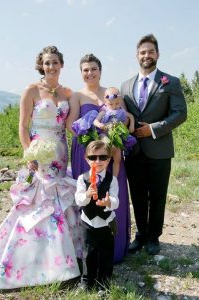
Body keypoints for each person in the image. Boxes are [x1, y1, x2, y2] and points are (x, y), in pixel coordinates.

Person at [0, 46, 82, 289]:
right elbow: (23, 126)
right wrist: (29, 152)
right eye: (47, 63)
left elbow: (70, 126)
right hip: (39, 155)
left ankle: (63, 260)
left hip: (60, 152)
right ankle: (33, 263)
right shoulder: (31, 90)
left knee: (60, 199)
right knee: (40, 201)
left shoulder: (67, 92)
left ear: (61, 64)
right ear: (41, 66)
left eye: (55, 62)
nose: (51, 67)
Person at [121, 34, 187, 255]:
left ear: (157, 54)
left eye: (150, 51)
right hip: (134, 151)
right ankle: (140, 234)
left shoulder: (171, 82)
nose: (146, 55)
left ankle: (153, 237)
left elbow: (180, 114)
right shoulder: (125, 85)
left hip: (160, 149)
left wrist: (153, 128)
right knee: (137, 195)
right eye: (142, 52)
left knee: (157, 195)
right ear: (137, 56)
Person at [66, 54, 130, 263]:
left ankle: (115, 248)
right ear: (81, 72)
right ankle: (87, 249)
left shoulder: (111, 92)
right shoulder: (76, 95)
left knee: (112, 194)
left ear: (100, 71)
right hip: (84, 150)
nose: (89, 73)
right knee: (88, 194)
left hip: (111, 150)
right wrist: (91, 140)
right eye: (85, 69)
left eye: (93, 68)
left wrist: (114, 137)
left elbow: (123, 118)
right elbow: (70, 124)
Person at [75, 140, 119, 290]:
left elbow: (116, 200)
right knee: (88, 254)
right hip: (88, 222)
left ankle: (104, 281)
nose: (98, 161)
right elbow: (79, 200)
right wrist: (87, 195)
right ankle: (87, 280)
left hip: (106, 223)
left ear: (109, 159)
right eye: (93, 158)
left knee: (106, 253)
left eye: (102, 157)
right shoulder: (82, 179)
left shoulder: (112, 180)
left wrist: (108, 202)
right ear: (87, 159)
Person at [93, 86, 136, 177]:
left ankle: (114, 178)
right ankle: (102, 174)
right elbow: (95, 121)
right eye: (111, 104)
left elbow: (131, 116)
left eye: (117, 103)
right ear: (105, 102)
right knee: (106, 148)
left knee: (118, 158)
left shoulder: (121, 110)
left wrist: (131, 125)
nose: (114, 106)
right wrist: (100, 124)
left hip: (116, 136)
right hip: (104, 134)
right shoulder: (104, 111)